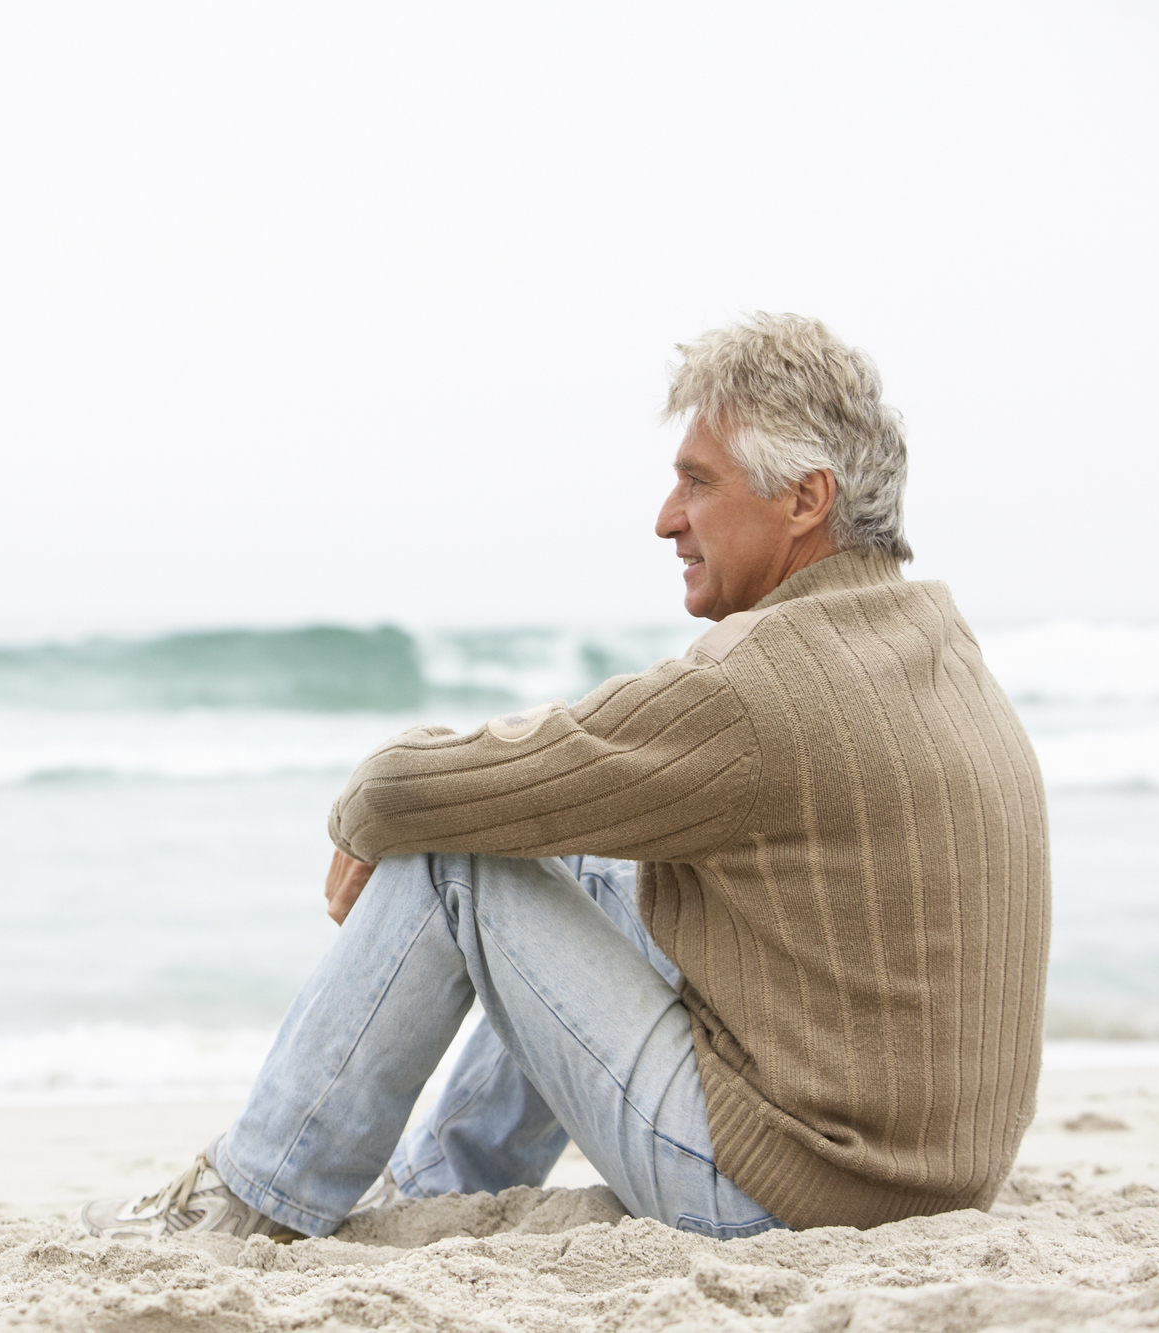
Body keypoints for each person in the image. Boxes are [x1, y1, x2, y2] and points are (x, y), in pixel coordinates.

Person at [81, 313, 1050, 1241]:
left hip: (789, 1194)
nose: (665, 519)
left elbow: (447, 786)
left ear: (804, 499)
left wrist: (364, 806)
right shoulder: (931, 641)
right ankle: (435, 1184)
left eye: (696, 483)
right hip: (925, 1178)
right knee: (584, 866)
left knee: (455, 858)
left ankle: (255, 1195)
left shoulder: (764, 684)